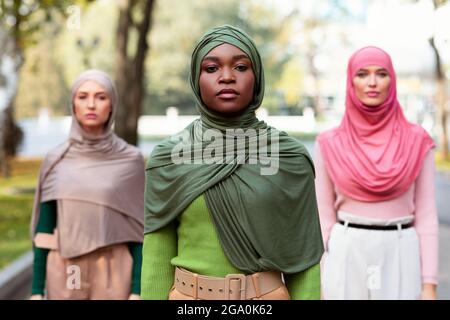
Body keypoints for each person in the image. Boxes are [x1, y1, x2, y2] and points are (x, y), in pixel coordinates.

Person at [141, 25, 324, 300]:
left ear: (257, 77)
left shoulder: (288, 157)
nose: (226, 77)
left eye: (240, 67)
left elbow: (304, 260)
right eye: (212, 68)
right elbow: (157, 251)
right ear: (196, 78)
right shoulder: (169, 157)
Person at [315, 46, 438, 300]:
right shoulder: (329, 142)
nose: (372, 82)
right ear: (351, 82)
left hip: (401, 248)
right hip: (346, 251)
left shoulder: (417, 140)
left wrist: (429, 285)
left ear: (392, 80)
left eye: (381, 74)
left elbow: (426, 216)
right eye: (362, 74)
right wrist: (322, 276)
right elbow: (323, 218)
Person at [29, 69, 145, 300]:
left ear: (112, 104)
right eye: (83, 96)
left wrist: (136, 289)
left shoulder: (130, 159)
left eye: (101, 97)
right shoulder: (57, 159)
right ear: (73, 103)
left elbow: (139, 229)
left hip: (114, 267)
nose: (91, 104)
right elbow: (45, 228)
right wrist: (35, 292)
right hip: (68, 267)